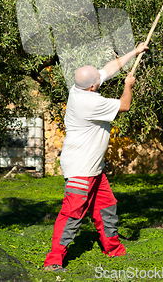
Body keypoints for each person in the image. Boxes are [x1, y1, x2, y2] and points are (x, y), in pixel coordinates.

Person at [44, 43, 148, 272]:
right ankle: (53, 260)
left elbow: (108, 69)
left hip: (93, 168)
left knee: (107, 207)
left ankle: (113, 249)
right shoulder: (90, 103)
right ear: (92, 87)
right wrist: (128, 85)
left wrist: (135, 52)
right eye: (97, 81)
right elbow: (125, 105)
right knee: (72, 214)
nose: (101, 79)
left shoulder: (78, 88)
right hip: (81, 169)